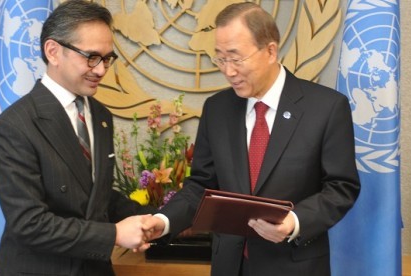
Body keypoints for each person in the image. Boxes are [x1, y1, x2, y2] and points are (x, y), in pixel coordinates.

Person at [142, 2, 361, 276]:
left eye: (236, 58)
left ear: (270, 51)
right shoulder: (217, 109)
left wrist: (294, 221)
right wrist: (163, 221)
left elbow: (341, 187)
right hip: (230, 266)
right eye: (220, 59)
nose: (228, 71)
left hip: (295, 265)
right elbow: (200, 186)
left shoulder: (326, 108)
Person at [0, 1, 154, 275]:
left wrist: (155, 218)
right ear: (53, 52)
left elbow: (94, 196)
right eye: (91, 57)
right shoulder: (14, 126)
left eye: (107, 59)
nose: (101, 70)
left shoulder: (101, 115)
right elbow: (30, 223)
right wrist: (113, 235)